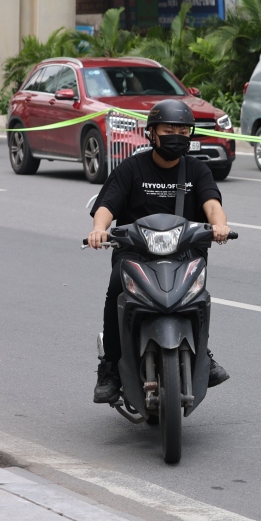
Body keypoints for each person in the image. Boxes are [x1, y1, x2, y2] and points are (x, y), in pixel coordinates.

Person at [88, 99, 232, 403]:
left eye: (183, 129)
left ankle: (201, 353)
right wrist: (99, 229)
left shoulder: (197, 170)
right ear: (152, 133)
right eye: (169, 129)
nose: (176, 135)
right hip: (136, 254)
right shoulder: (132, 168)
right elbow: (106, 206)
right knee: (116, 291)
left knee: (198, 296)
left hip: (184, 253)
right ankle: (110, 367)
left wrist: (219, 226)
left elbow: (212, 205)